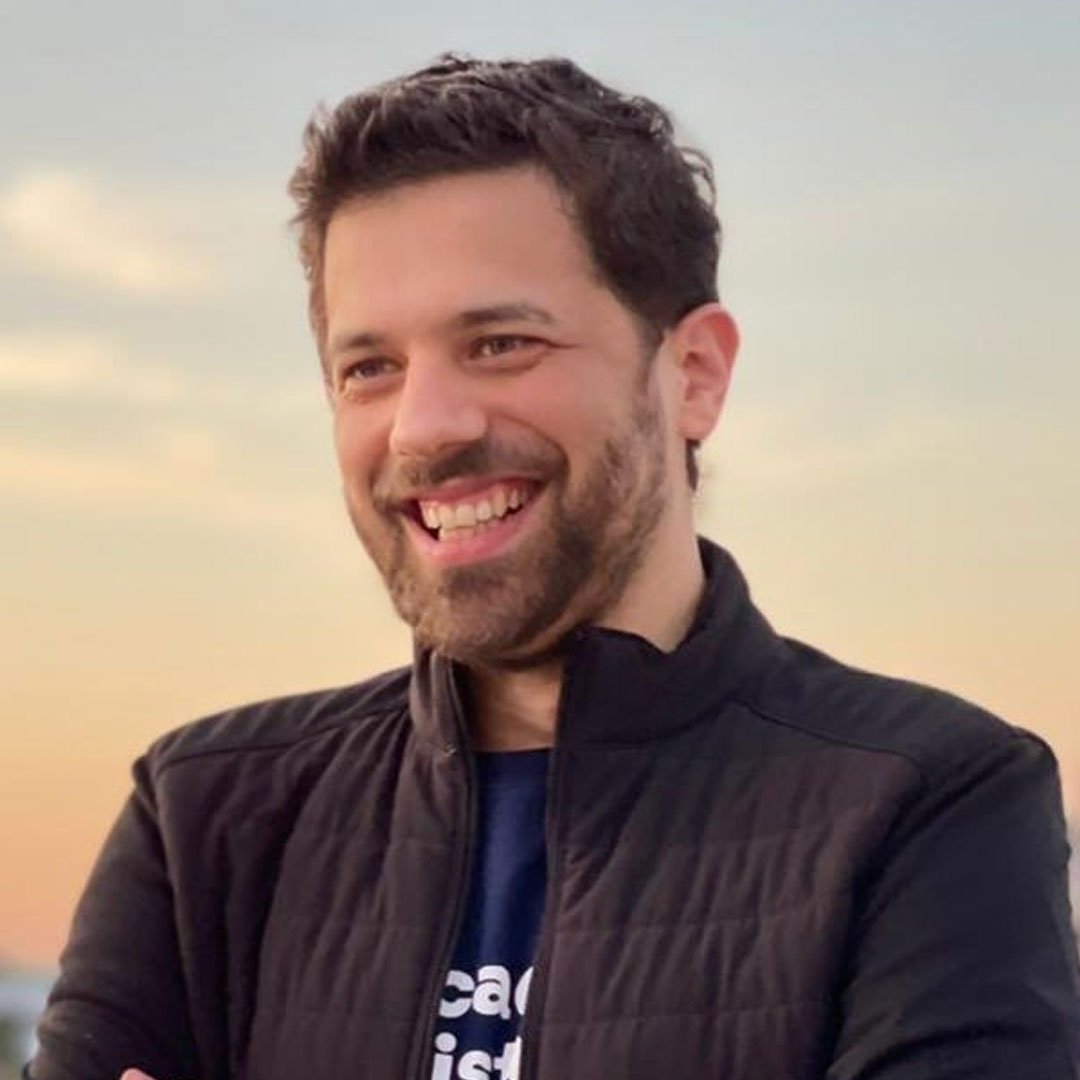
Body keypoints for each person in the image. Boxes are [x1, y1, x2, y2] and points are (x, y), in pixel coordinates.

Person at [29, 55, 1080, 1080]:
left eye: (500, 344)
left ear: (694, 375)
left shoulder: (930, 803)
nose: (423, 427)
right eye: (370, 367)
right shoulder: (205, 818)